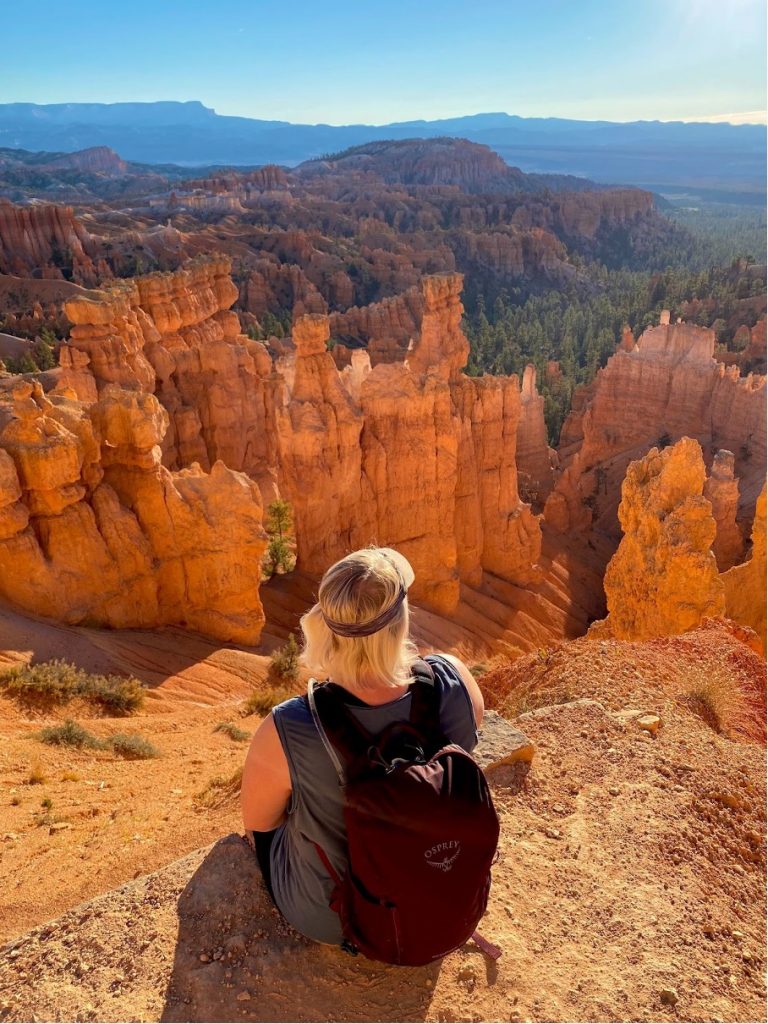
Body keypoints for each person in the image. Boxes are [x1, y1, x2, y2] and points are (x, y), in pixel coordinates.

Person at [240, 546, 484, 948]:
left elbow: (260, 828)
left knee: (277, 823)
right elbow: (470, 742)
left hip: (334, 918)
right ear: (401, 619)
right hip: (447, 902)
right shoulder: (453, 679)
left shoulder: (289, 726)